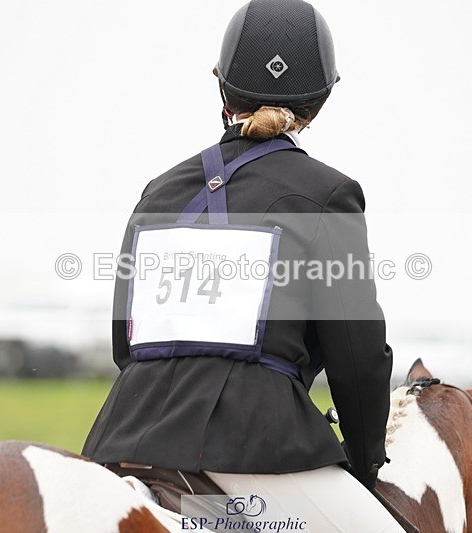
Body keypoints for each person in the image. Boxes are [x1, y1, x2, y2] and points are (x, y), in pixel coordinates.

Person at [83, 0, 401, 530]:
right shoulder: (330, 195)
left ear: (223, 86)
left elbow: (127, 343)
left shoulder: (158, 192)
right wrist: (366, 465)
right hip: (258, 445)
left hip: (123, 437)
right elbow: (356, 356)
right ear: (319, 98)